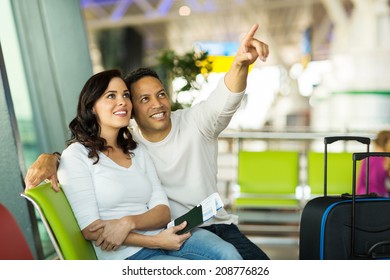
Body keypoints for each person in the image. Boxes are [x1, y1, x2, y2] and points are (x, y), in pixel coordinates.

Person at [24, 24, 270, 259]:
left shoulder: (191, 124)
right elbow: (86, 152)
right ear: (133, 112)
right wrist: (52, 157)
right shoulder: (129, 139)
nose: (157, 104)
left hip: (210, 227)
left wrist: (239, 64)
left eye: (161, 94)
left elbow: (225, 100)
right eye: (144, 99)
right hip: (165, 237)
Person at [56, 69, 242, 260]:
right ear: (92, 106)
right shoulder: (76, 156)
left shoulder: (136, 150)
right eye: (111, 96)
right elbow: (91, 230)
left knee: (227, 254)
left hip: (165, 235)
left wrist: (128, 222)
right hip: (129, 254)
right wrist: (156, 242)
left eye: (125, 95)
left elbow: (162, 212)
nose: (122, 101)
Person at [357, 130, 390, 197]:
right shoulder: (386, 160)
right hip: (381, 196)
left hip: (363, 195)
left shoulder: (366, 158)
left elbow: (359, 182)